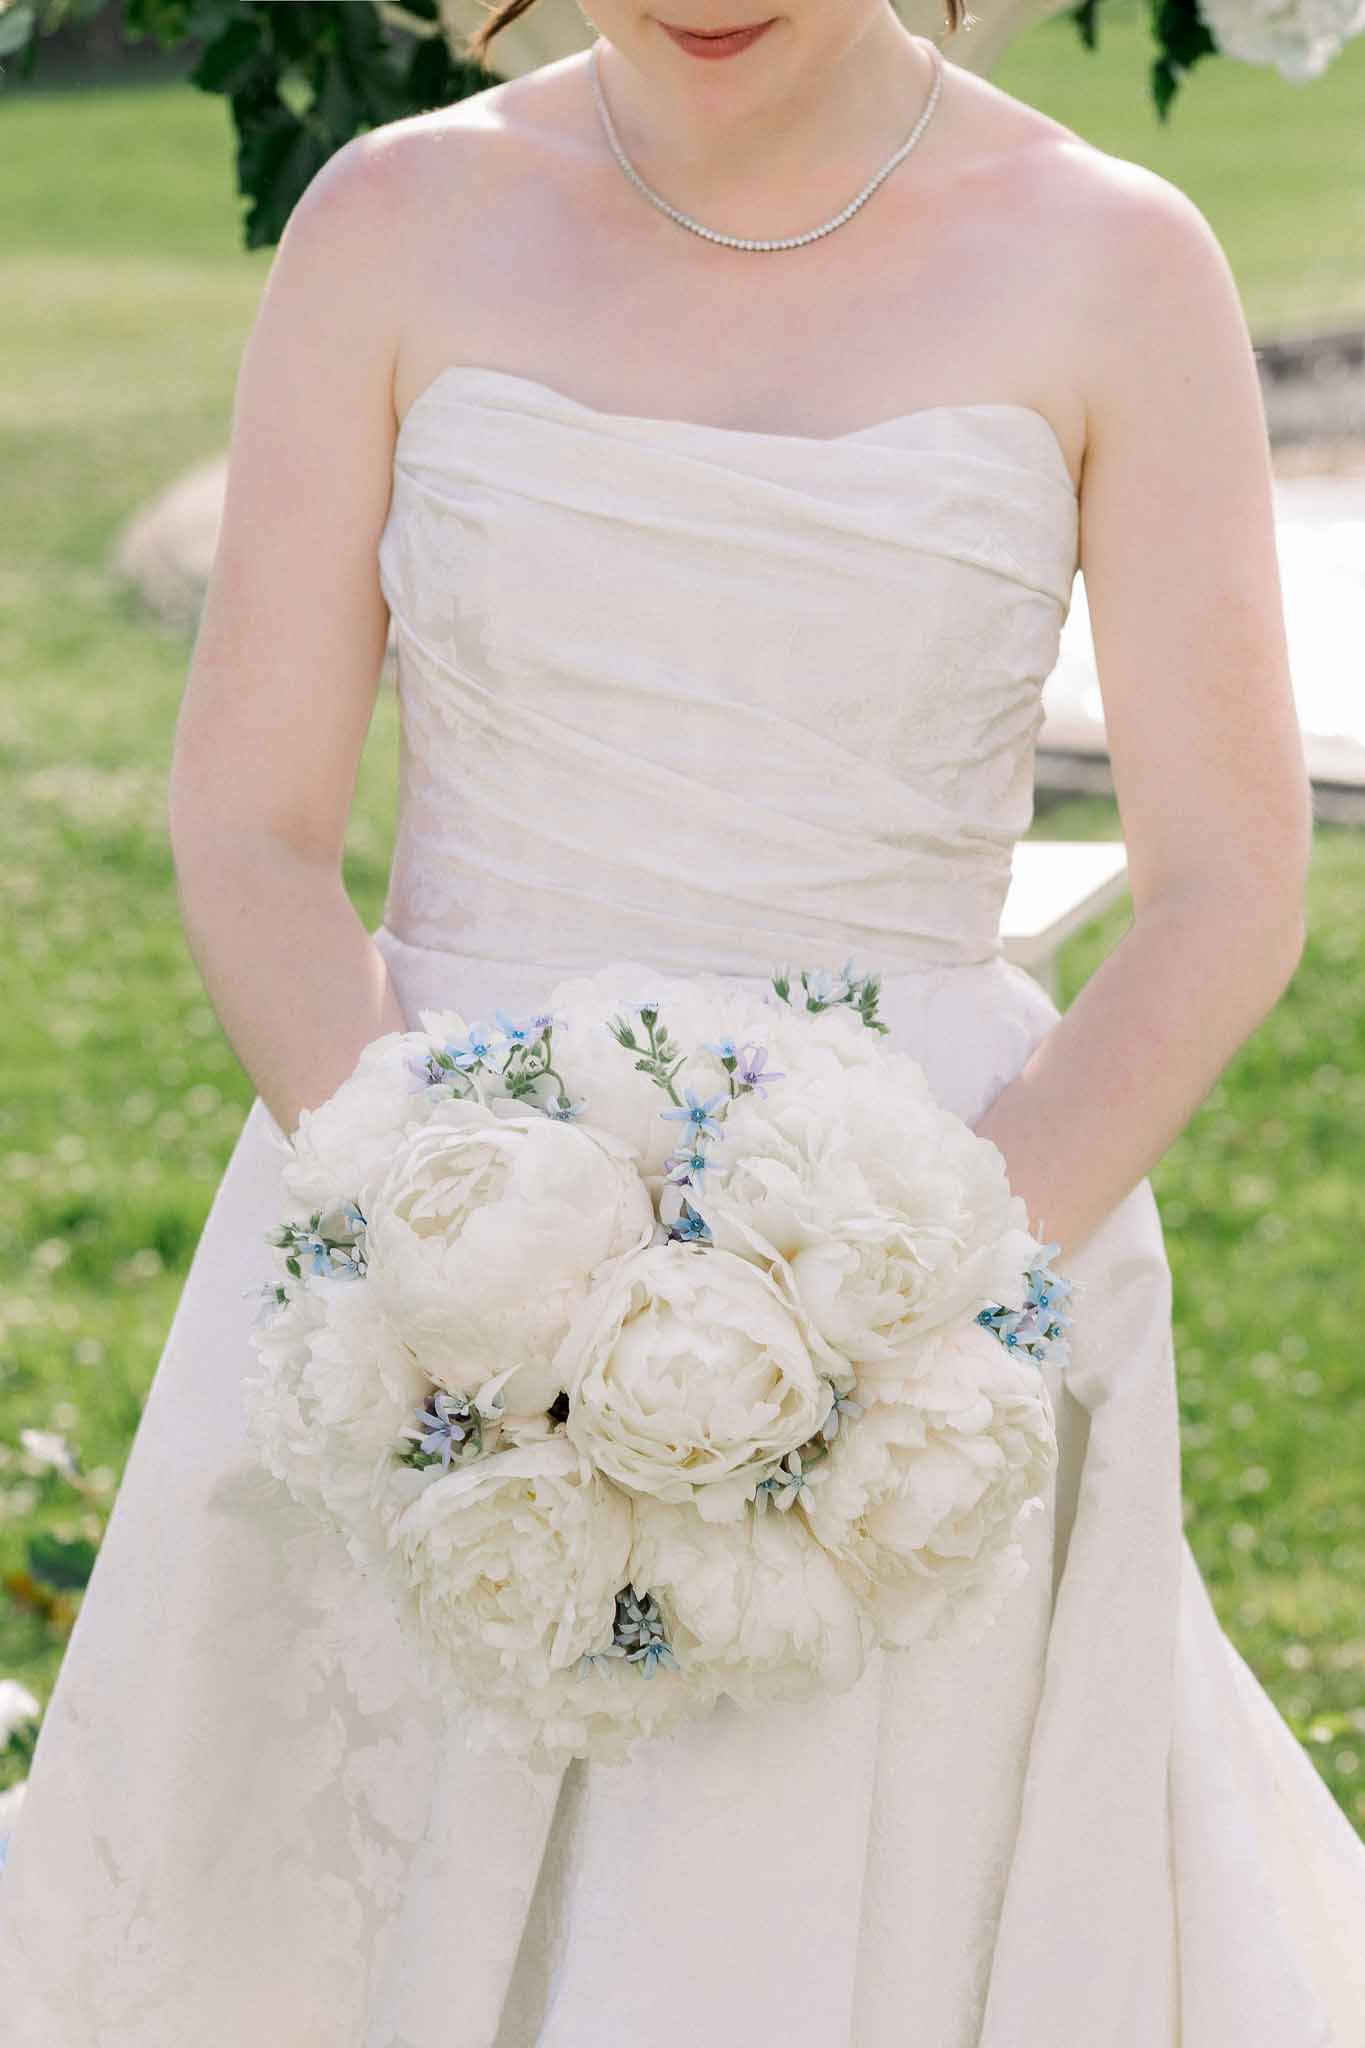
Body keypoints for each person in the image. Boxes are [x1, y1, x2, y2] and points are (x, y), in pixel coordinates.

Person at [3, 3, 1365, 2041]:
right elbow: (255, 824)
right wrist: (444, 1248)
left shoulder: (1106, 256)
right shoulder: (389, 222)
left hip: (937, 1258)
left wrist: (900, 1323)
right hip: (428, 1234)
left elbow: (1226, 884)